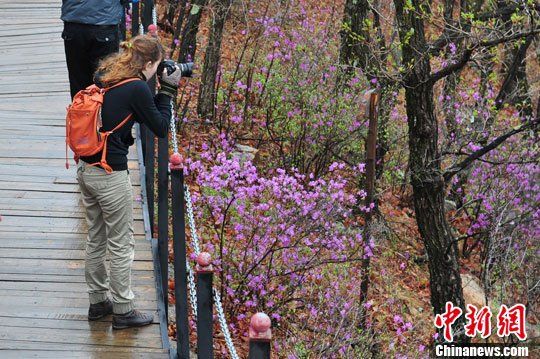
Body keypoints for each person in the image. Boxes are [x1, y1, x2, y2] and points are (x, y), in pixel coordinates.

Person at [77, 35, 181, 329]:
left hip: (87, 170)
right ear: (148, 63)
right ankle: (123, 310)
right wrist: (168, 90)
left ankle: (98, 303)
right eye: (157, 66)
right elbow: (160, 127)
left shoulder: (106, 74)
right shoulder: (136, 87)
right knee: (121, 244)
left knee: (96, 238)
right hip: (111, 174)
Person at [61, 0, 127, 98]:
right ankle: (103, 111)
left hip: (74, 23)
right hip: (105, 23)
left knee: (78, 81)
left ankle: (81, 110)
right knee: (106, 79)